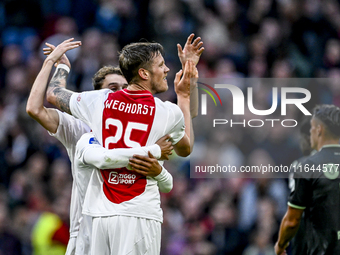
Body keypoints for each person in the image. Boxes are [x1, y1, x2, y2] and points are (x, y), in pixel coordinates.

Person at [45, 34, 203, 254]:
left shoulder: (99, 100)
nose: (167, 69)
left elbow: (53, 94)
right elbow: (185, 148)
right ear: (144, 73)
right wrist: (184, 96)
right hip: (140, 213)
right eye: (161, 65)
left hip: (102, 215)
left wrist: (61, 67)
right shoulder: (167, 112)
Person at [275, 104, 340, 255]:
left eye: (311, 128)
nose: (309, 132)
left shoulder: (308, 166)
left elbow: (292, 221)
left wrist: (281, 245)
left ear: (319, 130)